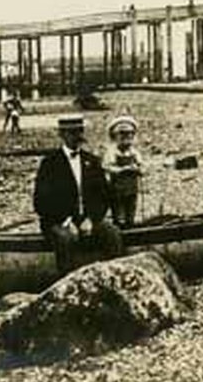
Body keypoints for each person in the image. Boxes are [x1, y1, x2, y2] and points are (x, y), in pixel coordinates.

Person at [33, 115, 117, 273]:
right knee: (66, 239)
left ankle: (115, 278)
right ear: (62, 135)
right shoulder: (50, 163)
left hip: (88, 218)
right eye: (71, 132)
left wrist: (91, 219)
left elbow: (104, 196)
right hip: (58, 221)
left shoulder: (91, 161)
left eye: (79, 131)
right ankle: (66, 286)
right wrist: (66, 221)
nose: (77, 136)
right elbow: (41, 202)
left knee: (112, 233)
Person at [103, 115, 144, 228]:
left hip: (132, 188)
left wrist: (138, 169)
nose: (127, 136)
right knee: (119, 214)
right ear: (115, 136)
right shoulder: (111, 152)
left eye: (130, 133)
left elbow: (142, 166)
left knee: (131, 212)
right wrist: (122, 170)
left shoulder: (134, 152)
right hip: (117, 189)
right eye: (122, 134)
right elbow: (107, 167)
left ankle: (131, 229)